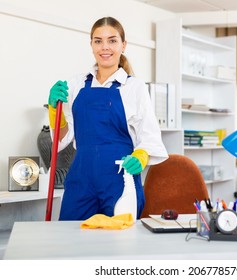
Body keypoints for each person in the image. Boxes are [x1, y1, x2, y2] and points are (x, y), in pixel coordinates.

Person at [48, 16, 168, 221]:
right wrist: (53, 110)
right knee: (69, 241)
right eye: (98, 41)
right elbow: (60, 140)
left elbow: (149, 138)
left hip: (119, 179)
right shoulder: (76, 84)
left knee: (118, 245)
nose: (105, 47)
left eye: (112, 40)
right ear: (91, 45)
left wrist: (140, 157)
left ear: (123, 45)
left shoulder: (135, 88)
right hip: (81, 180)